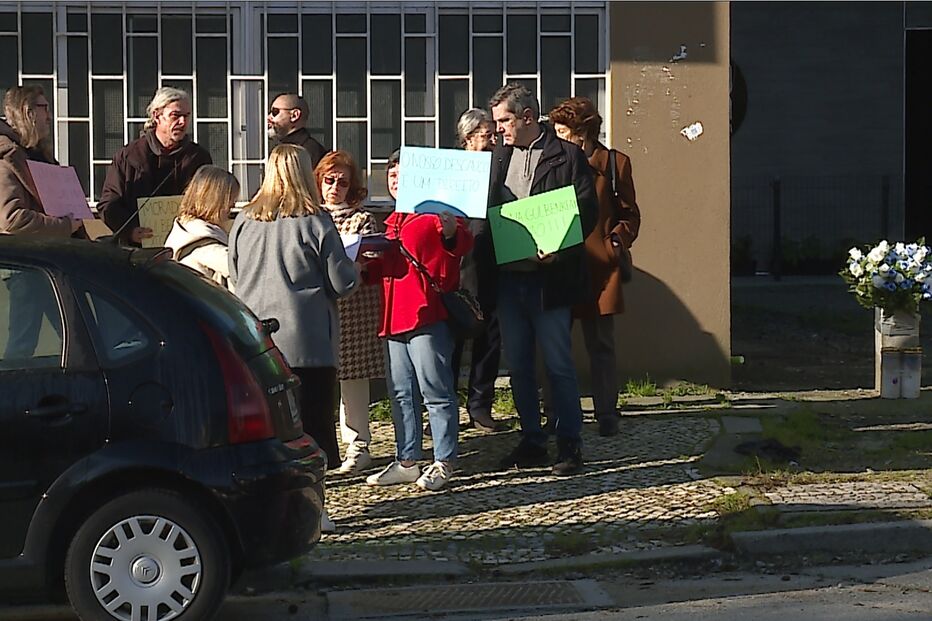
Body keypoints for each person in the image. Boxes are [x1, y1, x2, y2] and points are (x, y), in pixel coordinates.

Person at [229, 144, 358, 531]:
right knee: (312, 431)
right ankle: (314, 510)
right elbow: (342, 281)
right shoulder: (315, 221)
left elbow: (234, 277)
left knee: (267, 432)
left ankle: (268, 511)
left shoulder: (243, 221)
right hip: (308, 341)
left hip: (255, 343)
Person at [487, 82, 597, 476]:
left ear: (527, 117)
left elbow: (586, 210)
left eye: (504, 121)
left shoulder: (567, 156)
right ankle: (532, 439)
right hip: (510, 279)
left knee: (558, 365)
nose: (498, 128)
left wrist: (560, 246)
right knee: (517, 365)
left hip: (551, 279)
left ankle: (570, 445)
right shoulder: (498, 159)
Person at [363, 149, 473, 492]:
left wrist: (452, 231)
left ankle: (444, 460)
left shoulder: (432, 214)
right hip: (394, 316)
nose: (396, 180)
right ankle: (407, 459)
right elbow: (383, 270)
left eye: (402, 174)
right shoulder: (392, 218)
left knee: (435, 391)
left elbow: (460, 244)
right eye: (391, 174)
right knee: (400, 393)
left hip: (427, 313)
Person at [548, 97, 641, 437]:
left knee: (601, 344)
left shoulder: (615, 164)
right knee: (555, 342)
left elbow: (631, 214)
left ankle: (606, 412)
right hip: (559, 263)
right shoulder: (554, 163)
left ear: (581, 132)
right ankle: (555, 412)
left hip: (600, 267)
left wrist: (616, 241)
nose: (556, 138)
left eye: (562, 131)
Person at [315, 150, 384, 474]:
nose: (335, 187)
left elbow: (372, 258)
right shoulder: (310, 216)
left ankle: (359, 445)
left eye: (343, 182)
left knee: (354, 379)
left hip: (354, 306)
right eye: (330, 180)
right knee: (321, 380)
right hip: (320, 306)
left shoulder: (362, 218)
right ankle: (323, 445)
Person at [0, 86, 81, 361]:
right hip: (27, 267)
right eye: (44, 108)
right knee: (22, 347)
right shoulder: (6, 160)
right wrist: (63, 226)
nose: (50, 116)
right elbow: (12, 219)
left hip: (54, 262)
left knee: (80, 341)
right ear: (27, 112)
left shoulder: (39, 154)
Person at [97, 87, 212, 245]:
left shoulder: (199, 158)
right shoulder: (129, 156)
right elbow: (109, 203)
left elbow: (210, 202)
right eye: (175, 116)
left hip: (186, 250)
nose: (183, 122)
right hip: (138, 252)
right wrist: (129, 231)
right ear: (157, 116)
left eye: (187, 116)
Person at [450, 108, 503, 432]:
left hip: (492, 260)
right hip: (458, 264)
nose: (493, 140)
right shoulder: (453, 169)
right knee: (453, 340)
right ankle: (447, 407)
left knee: (490, 336)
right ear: (469, 138)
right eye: (487, 135)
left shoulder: (499, 166)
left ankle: (480, 405)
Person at [164, 165, 239, 289]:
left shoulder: (184, 228)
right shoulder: (206, 247)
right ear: (216, 202)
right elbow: (243, 269)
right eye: (230, 204)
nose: (231, 208)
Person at [267, 93, 328, 169]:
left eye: (275, 112)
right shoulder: (282, 147)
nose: (268, 118)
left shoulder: (309, 153)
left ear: (295, 115)